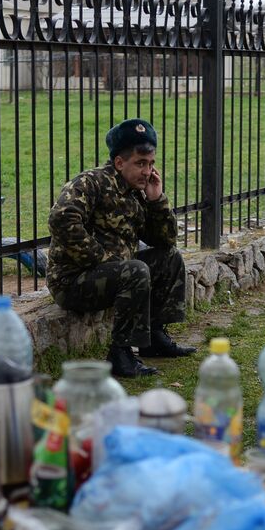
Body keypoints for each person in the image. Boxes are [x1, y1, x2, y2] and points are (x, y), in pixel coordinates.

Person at [47, 117, 196, 378]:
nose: (147, 171)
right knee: (135, 270)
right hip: (72, 281)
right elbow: (61, 220)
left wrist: (157, 201)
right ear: (119, 162)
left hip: (113, 274)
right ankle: (120, 353)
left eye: (150, 164)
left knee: (169, 257)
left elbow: (165, 240)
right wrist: (103, 259)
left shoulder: (136, 192)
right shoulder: (91, 183)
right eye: (140, 163)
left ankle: (154, 338)